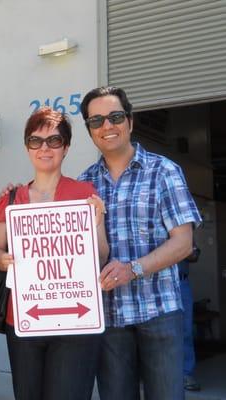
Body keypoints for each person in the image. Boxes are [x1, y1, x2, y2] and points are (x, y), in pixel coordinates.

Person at [78, 86, 202, 400]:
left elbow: (183, 243)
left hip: (158, 312)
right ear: (90, 131)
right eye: (96, 121)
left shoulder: (164, 172)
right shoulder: (84, 184)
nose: (107, 126)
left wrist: (133, 269)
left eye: (115, 117)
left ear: (130, 122)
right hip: (110, 319)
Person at [0, 107, 109, 400]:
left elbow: (102, 256)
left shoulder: (84, 193)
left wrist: (97, 222)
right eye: (35, 140)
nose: (44, 148)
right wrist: (2, 260)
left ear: (65, 148)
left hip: (75, 321)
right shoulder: (11, 197)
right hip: (24, 318)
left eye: (54, 141)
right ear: (27, 147)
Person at [180, 242, 201, 391]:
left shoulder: (181, 226)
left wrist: (189, 251)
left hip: (181, 282)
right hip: (153, 282)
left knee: (185, 330)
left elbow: (194, 255)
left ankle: (186, 374)